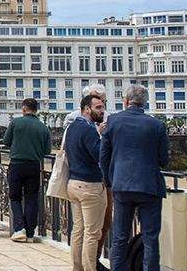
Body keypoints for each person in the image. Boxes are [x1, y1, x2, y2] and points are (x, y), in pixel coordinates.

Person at [101, 84, 170, 271]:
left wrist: (109, 180)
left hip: (121, 184)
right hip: (149, 186)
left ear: (125, 101)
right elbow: (164, 160)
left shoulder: (113, 121)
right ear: (144, 103)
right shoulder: (157, 125)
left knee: (119, 237)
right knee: (150, 238)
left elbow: (104, 155)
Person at [67, 94, 108, 271]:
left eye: (102, 106)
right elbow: (100, 155)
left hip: (73, 183)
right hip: (89, 186)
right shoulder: (88, 130)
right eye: (98, 107)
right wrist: (103, 136)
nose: (102, 110)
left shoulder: (72, 127)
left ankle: (77, 268)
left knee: (78, 230)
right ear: (86, 109)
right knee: (92, 233)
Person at [3, 98, 50, 243]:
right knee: (31, 198)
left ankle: (19, 229)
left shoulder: (15, 123)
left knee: (15, 197)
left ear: (23, 109)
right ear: (36, 110)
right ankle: (30, 232)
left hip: (16, 164)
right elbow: (47, 150)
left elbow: (6, 141)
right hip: (34, 166)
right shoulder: (43, 127)